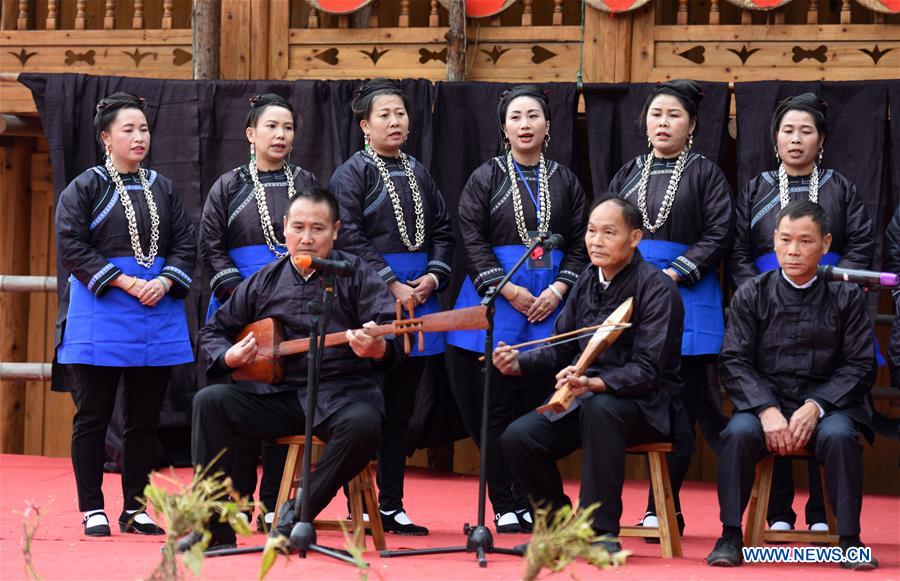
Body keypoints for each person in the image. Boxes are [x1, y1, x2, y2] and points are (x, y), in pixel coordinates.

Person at [180, 186, 402, 551]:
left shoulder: (357, 274)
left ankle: (297, 512)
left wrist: (377, 348)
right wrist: (229, 356)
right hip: (279, 396)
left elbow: (391, 338)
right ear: (284, 228)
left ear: (336, 230)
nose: (307, 238)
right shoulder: (266, 279)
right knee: (210, 402)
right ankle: (214, 527)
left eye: (318, 228)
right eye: (298, 227)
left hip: (341, 394)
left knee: (365, 424)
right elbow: (214, 331)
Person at [495, 195, 684, 554]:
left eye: (609, 232)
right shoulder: (586, 280)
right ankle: (561, 529)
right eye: (592, 231)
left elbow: (649, 370)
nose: (596, 240)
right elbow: (562, 347)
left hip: (645, 406)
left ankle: (600, 533)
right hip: (586, 397)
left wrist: (595, 383)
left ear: (635, 238)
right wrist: (519, 362)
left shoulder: (658, 287)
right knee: (518, 437)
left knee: (601, 410)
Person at [729, 93, 875, 534]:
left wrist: (833, 289)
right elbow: (738, 249)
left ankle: (819, 515)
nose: (796, 139)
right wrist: (758, 294)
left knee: (825, 400)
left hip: (828, 299)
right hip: (766, 304)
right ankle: (775, 513)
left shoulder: (840, 188)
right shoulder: (756, 187)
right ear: (775, 139)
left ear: (821, 140)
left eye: (805, 131)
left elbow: (863, 246)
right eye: (787, 131)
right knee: (769, 398)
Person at [446, 85, 588, 534]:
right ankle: (504, 503)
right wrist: (507, 291)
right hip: (496, 301)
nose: (525, 125)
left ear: (549, 125)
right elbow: (469, 238)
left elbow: (585, 243)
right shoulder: (485, 177)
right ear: (503, 127)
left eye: (533, 116)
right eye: (516, 117)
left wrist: (561, 290)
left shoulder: (566, 179)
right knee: (494, 411)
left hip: (549, 303)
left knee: (533, 409)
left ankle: (534, 501)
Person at [707, 201, 878, 570]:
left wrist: (816, 406)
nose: (793, 250)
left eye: (805, 241)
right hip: (765, 403)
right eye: (785, 240)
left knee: (839, 437)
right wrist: (766, 409)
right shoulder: (752, 292)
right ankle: (730, 534)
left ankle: (850, 539)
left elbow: (860, 365)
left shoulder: (846, 296)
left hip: (827, 405)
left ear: (826, 243)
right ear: (774, 241)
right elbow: (734, 359)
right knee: (736, 434)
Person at [55, 92, 196, 537]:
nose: (139, 137)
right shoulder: (87, 186)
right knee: (94, 415)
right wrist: (125, 281)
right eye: (128, 130)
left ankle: (135, 507)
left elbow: (186, 245)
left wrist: (165, 281)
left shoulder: (163, 188)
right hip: (102, 309)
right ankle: (92, 506)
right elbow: (71, 245)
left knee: (145, 418)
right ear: (105, 137)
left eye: (144, 129)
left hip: (155, 308)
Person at [608, 79, 732, 536]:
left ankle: (667, 505)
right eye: (656, 114)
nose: (663, 123)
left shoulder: (705, 173)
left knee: (685, 404)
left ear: (692, 125)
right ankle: (620, 507)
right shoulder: (628, 172)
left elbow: (720, 233)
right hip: (632, 294)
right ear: (645, 123)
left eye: (674, 115)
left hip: (688, 295)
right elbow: (608, 226)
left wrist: (673, 274)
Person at [329, 79, 454, 535]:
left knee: (402, 409)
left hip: (419, 298)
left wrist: (433, 277)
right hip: (372, 299)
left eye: (400, 113)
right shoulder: (351, 173)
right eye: (384, 115)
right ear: (365, 125)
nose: (394, 121)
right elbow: (350, 236)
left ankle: (392, 504)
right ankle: (357, 502)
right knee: (367, 406)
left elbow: (442, 227)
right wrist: (391, 284)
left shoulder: (419, 171)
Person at [200, 93, 318, 531]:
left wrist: (286, 293)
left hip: (295, 306)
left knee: (281, 394)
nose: (281, 135)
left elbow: (316, 236)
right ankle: (236, 500)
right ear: (251, 134)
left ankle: (271, 501)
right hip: (239, 304)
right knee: (244, 396)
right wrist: (248, 296)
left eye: (287, 127)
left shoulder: (305, 181)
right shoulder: (228, 185)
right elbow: (211, 247)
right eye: (271, 127)